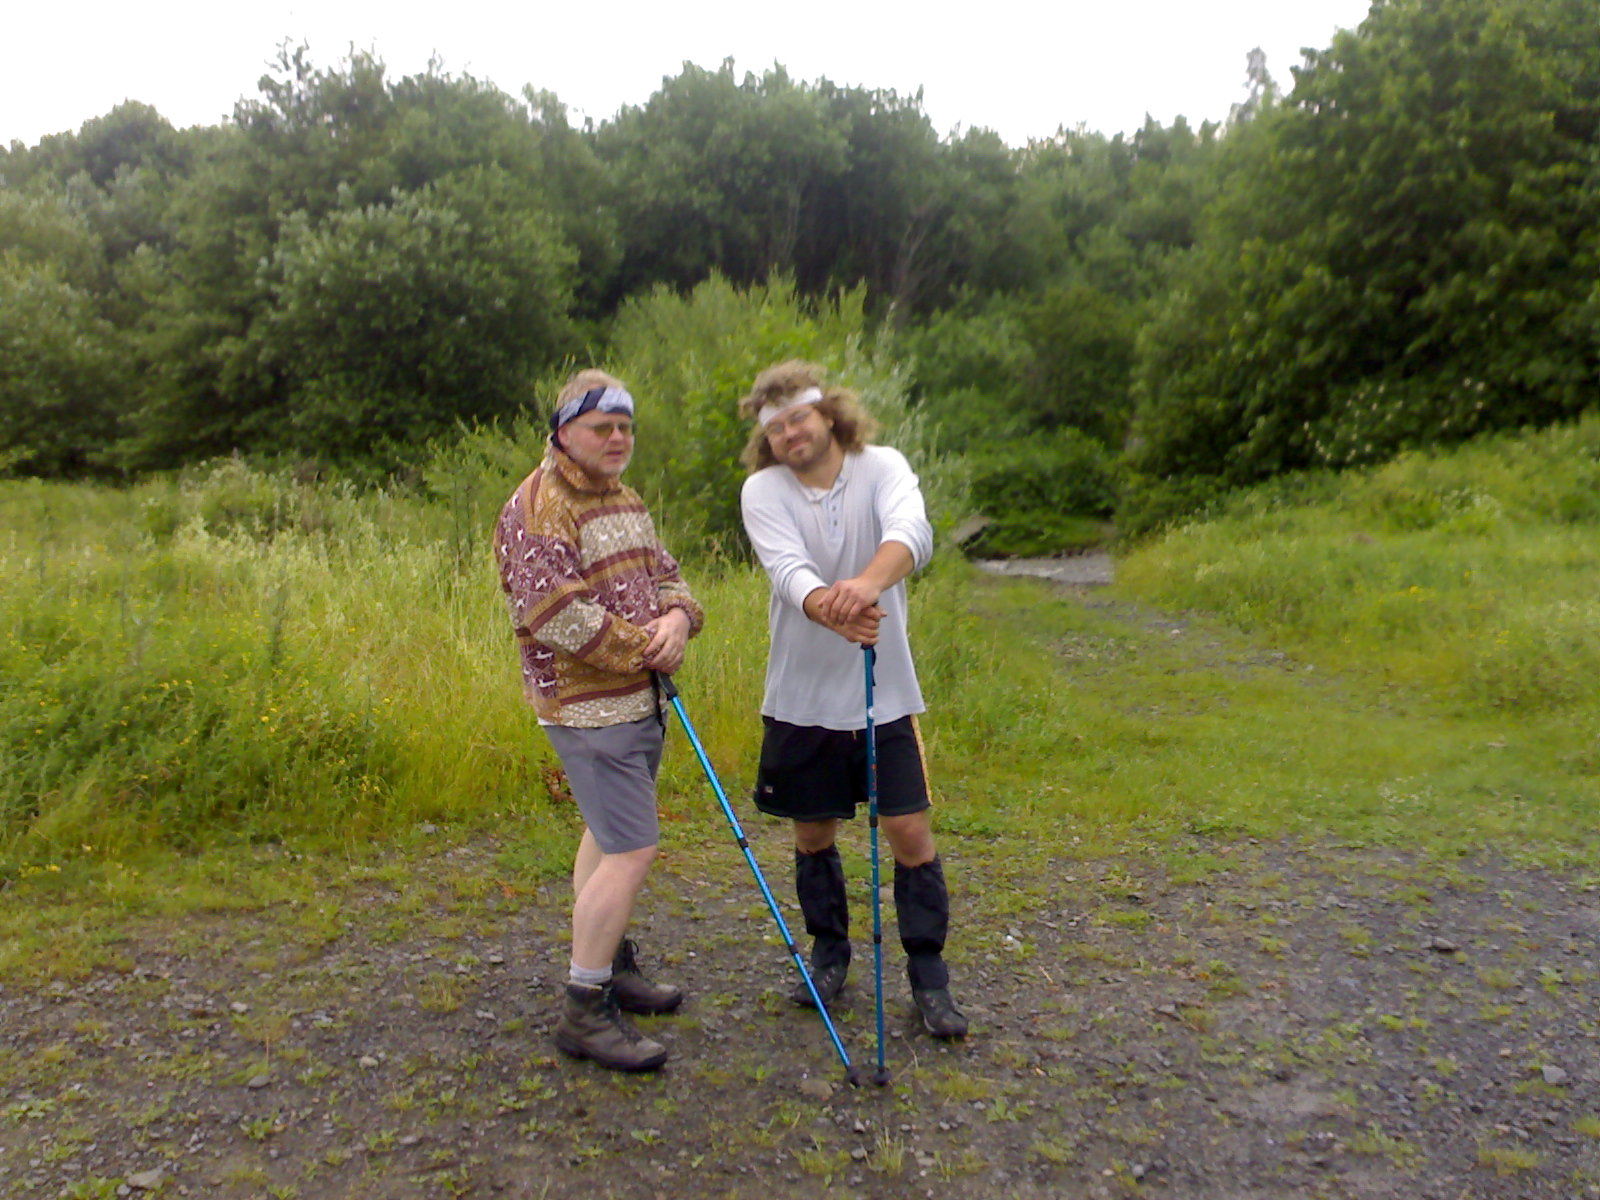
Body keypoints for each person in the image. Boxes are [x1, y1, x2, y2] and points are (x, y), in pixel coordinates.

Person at [737, 360, 967, 1039]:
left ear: (828, 414)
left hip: (884, 692)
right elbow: (787, 571)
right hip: (801, 696)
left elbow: (913, 533)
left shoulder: (883, 465)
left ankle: (928, 974)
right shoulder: (762, 490)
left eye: (798, 418)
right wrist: (832, 609)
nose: (790, 434)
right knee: (813, 832)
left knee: (909, 831)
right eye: (776, 429)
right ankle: (829, 954)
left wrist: (865, 586)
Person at [494, 369, 704, 1072]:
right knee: (633, 848)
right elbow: (552, 613)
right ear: (563, 432)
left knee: (609, 833)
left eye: (625, 427)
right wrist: (648, 646)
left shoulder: (625, 498)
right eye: (601, 427)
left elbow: (668, 575)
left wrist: (679, 619)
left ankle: (608, 963)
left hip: (639, 699)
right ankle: (584, 1008)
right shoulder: (536, 507)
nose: (618, 439)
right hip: (585, 708)